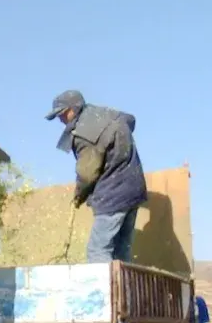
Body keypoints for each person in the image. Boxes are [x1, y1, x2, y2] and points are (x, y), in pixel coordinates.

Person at [46, 90, 147, 263]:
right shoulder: (107, 115)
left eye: (62, 114)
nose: (60, 120)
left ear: (72, 109)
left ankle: (104, 291)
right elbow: (130, 121)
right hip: (134, 189)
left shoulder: (85, 133)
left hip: (113, 194)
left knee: (97, 250)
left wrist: (79, 195)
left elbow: (87, 174)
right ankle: (122, 289)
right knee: (121, 251)